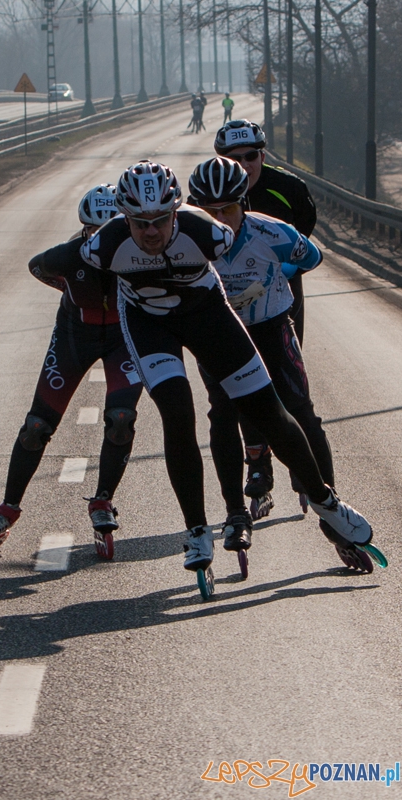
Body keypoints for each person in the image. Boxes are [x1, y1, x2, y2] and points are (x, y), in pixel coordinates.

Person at [79, 160, 376, 578]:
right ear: (123, 217)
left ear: (177, 212)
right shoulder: (103, 246)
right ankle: (197, 530)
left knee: (268, 411)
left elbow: (287, 257)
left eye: (161, 220)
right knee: (177, 411)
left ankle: (327, 502)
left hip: (206, 315)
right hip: (149, 325)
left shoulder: (208, 232)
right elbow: (56, 264)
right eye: (139, 222)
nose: (150, 232)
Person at [0, 184, 143, 560]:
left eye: (113, 227)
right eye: (94, 230)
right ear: (83, 229)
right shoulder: (67, 256)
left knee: (121, 418)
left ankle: (103, 501)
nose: (103, 238)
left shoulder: (142, 252)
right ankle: (7, 509)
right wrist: (69, 289)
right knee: (36, 427)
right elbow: (36, 266)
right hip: (75, 335)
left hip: (124, 337)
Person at [187, 156, 337, 554]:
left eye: (228, 209)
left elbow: (312, 257)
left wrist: (280, 272)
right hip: (220, 335)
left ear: (244, 204)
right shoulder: (186, 245)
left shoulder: (272, 232)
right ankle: (235, 513)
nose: (220, 220)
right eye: (208, 212)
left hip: (271, 329)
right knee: (223, 414)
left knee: (299, 411)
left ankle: (333, 507)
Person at [214, 118, 317, 502]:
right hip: (232, 304)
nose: (243, 164)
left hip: (281, 295)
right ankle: (258, 465)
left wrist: (286, 269)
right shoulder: (212, 195)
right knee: (242, 387)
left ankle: (303, 467)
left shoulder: (289, 188)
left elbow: (305, 238)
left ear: (263, 153)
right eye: (232, 157)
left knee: (289, 386)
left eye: (251, 155)